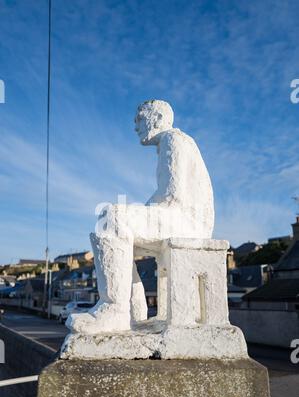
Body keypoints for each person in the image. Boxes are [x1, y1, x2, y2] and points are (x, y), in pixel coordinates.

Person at [67, 100, 214, 335]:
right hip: (187, 220)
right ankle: (133, 311)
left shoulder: (173, 140)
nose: (136, 127)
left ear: (156, 119)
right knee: (119, 235)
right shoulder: (177, 142)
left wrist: (133, 214)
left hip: (187, 223)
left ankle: (115, 309)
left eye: (139, 120)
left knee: (111, 216)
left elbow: (171, 195)